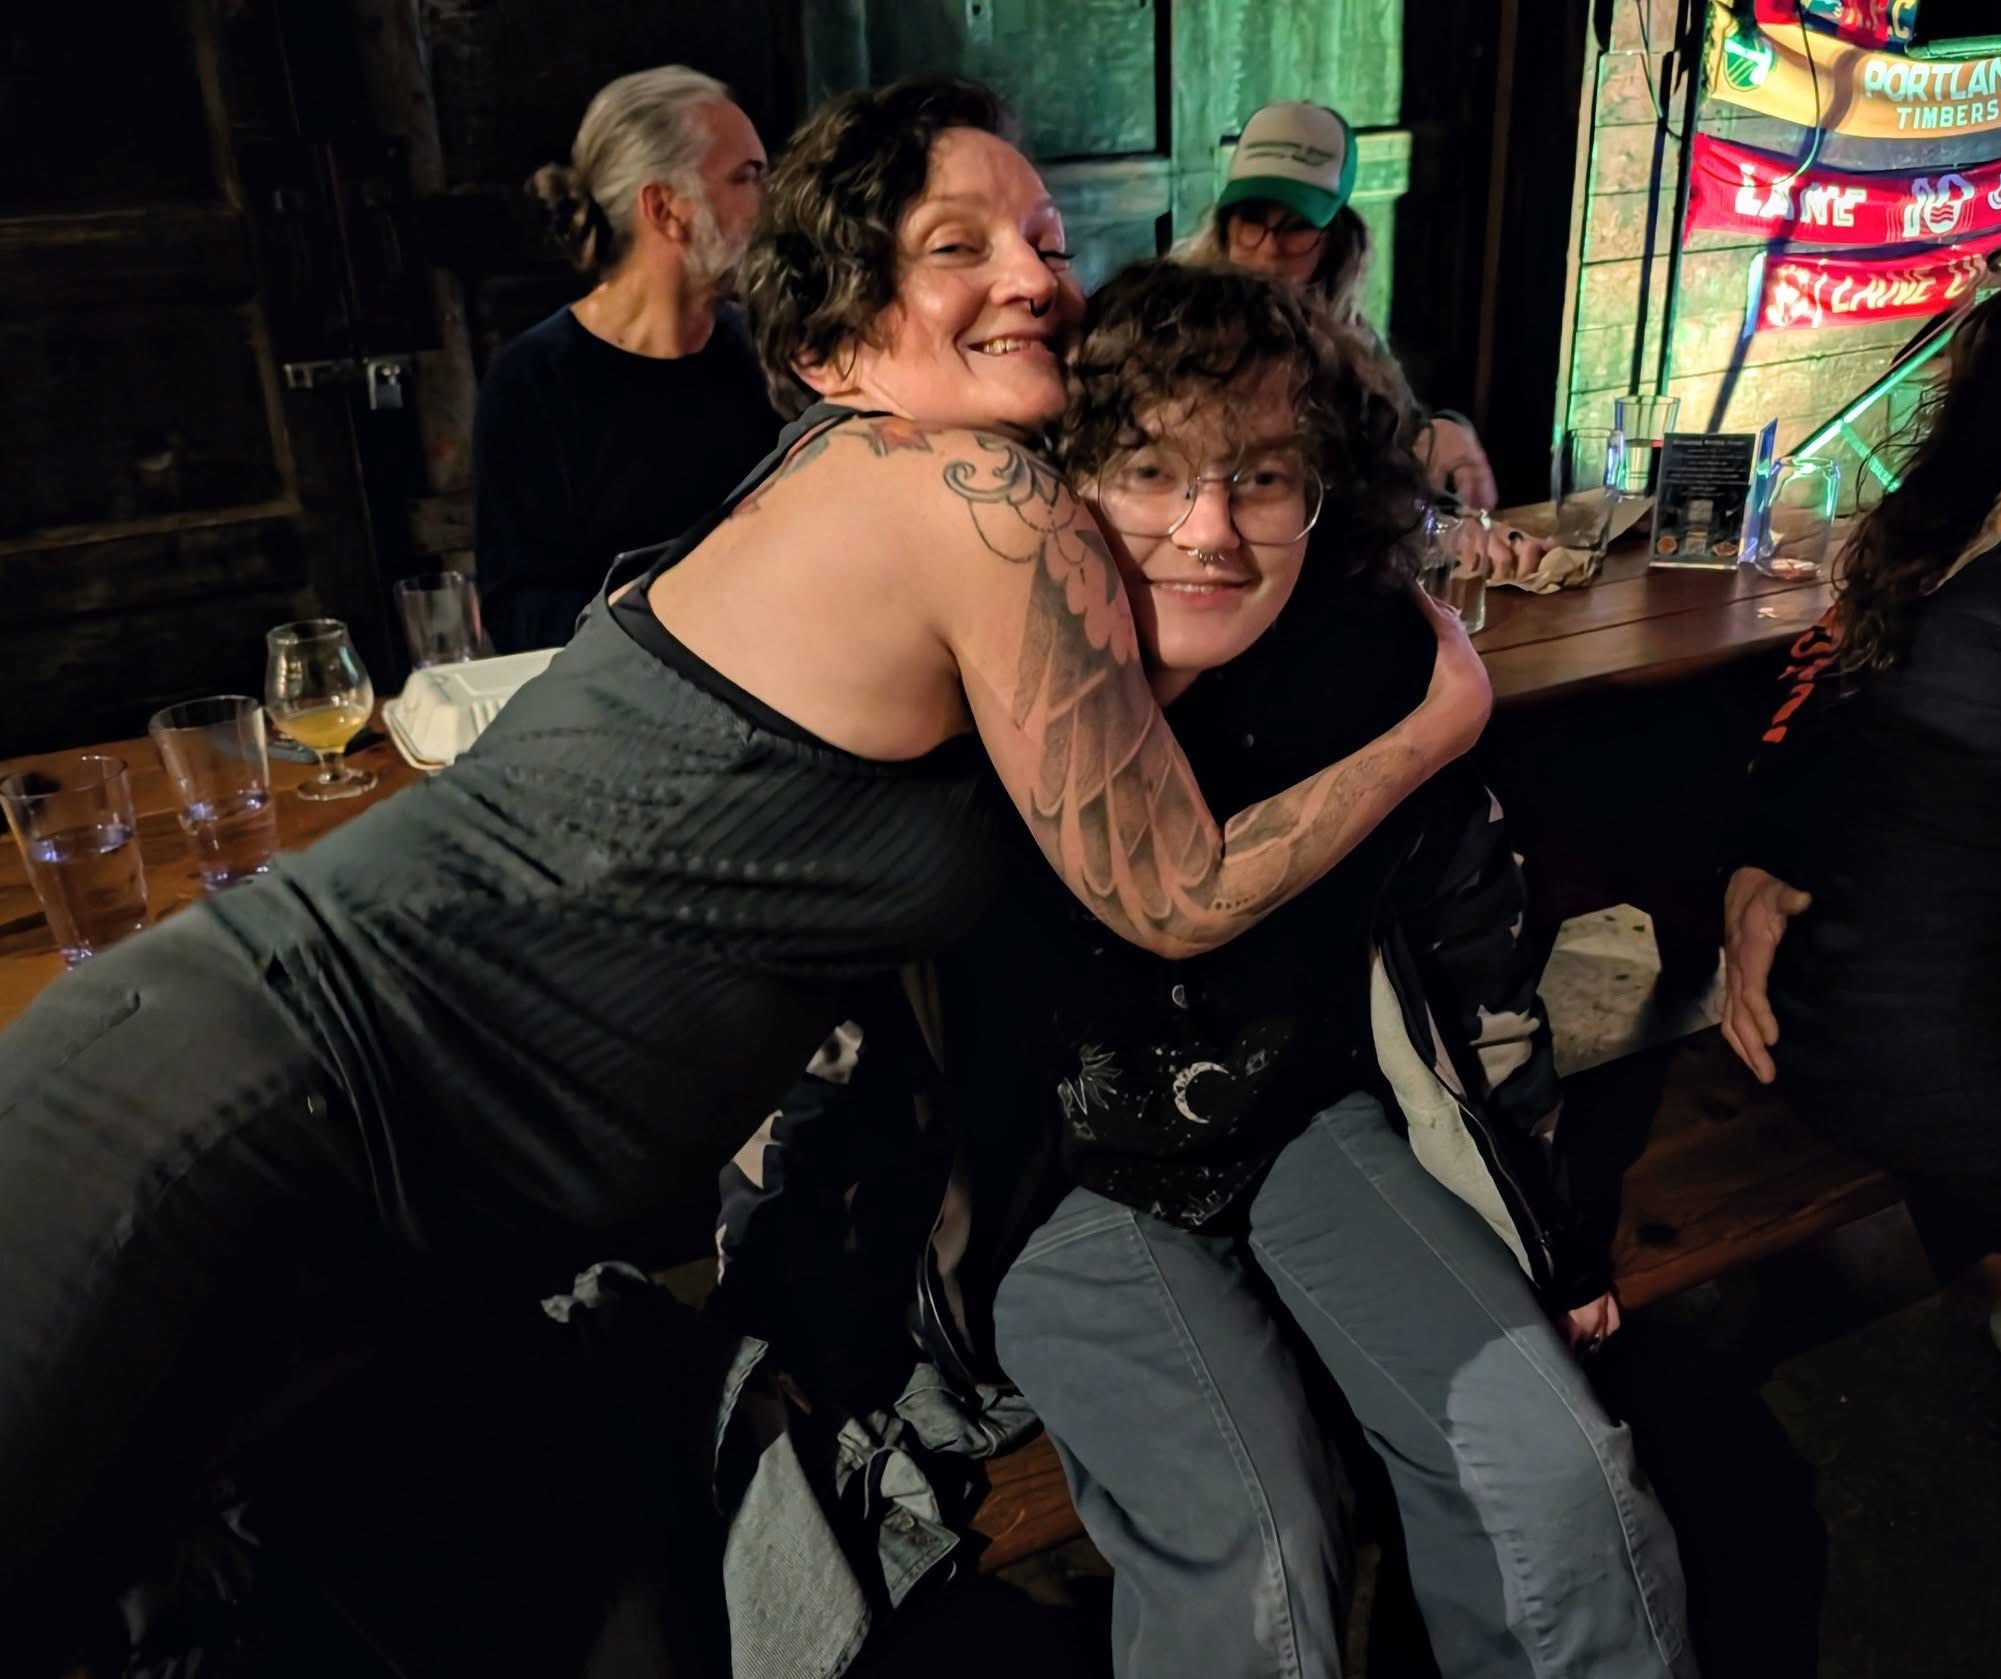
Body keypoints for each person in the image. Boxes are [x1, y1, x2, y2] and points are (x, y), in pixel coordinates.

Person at [0, 78, 1496, 1671]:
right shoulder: (972, 494)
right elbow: (1172, 887)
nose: (1037, 277)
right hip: (262, 1094)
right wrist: (1439, 717)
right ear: (834, 331)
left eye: (1050, 240)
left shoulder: (882, 481)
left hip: (432, 1238)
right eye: (960, 244)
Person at [968, 261, 1689, 1679]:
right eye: (1148, 469)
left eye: (1260, 476)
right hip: (1052, 1181)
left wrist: (1544, 1237)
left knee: (1559, 1475)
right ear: (1065, 480)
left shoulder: (1359, 666)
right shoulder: (967, 687)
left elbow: (1477, 971)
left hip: (1303, 1122)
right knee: (1258, 1558)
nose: (1207, 529)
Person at [1719, 212, 2001, 1479]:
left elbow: (1808, 721)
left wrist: (1748, 870)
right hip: (1950, 1063)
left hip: (1829, 1009)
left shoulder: (1970, 489)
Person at [473, 65, 783, 651]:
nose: (773, 204)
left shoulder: (769, 353)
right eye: (747, 177)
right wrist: (672, 612)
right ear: (665, 208)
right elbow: (519, 613)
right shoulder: (533, 382)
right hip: (623, 688)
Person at [1179, 99, 1504, 527]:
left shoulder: (1353, 343)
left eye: (1297, 226)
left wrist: (1443, 433)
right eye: (1253, 220)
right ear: (1224, 225)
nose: (1269, 247)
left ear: (1337, 241)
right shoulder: (1171, 331)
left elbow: (1404, 438)